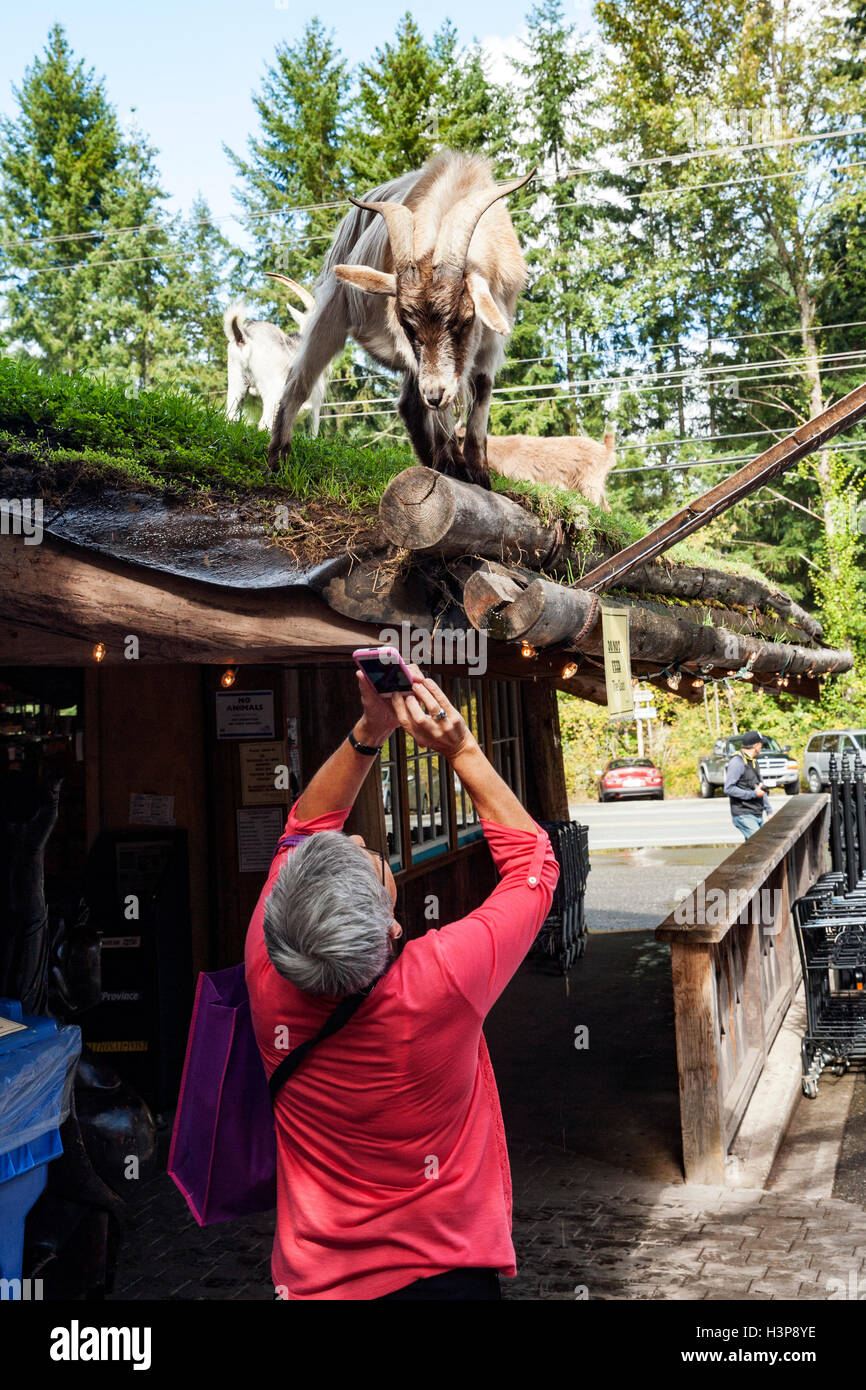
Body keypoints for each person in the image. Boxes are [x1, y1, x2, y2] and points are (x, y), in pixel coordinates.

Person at [244, 665, 559, 1301]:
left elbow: (304, 830)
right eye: (371, 858)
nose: (357, 836)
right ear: (390, 924)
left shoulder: (269, 961)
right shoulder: (441, 980)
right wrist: (461, 747)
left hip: (316, 1283)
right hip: (445, 1274)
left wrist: (371, 728)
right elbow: (534, 863)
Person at [724, 732, 772, 840]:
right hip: (743, 814)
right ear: (755, 745)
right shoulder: (737, 762)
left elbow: (761, 788)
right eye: (761, 744)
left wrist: (769, 811)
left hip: (757, 813)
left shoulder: (754, 761)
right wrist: (753, 794)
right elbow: (729, 788)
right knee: (760, 844)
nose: (762, 747)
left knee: (753, 849)